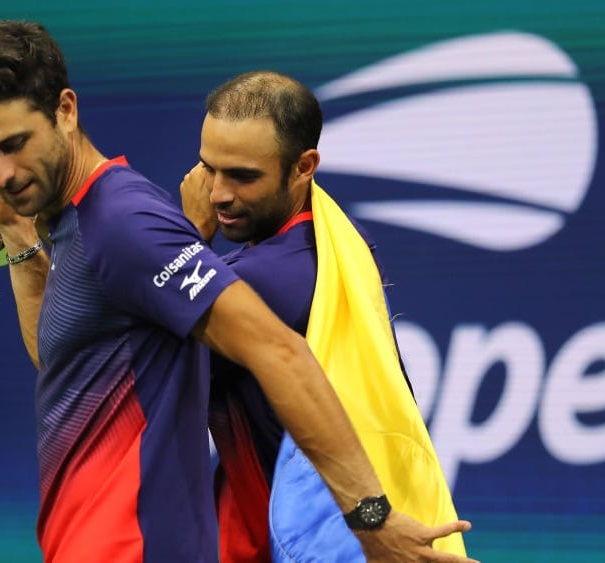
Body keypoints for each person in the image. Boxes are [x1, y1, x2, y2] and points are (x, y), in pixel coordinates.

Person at [0, 20, 476, 563]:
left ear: (67, 111)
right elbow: (69, 362)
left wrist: (372, 521)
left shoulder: (137, 230)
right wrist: (20, 240)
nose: (0, 173)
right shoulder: (96, 229)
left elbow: (269, 353)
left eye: (14, 145)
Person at [180, 72, 469, 562]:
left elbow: (132, 371)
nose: (218, 195)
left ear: (303, 166)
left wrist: (187, 238)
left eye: (244, 176)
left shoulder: (265, 280)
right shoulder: (336, 243)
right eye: (210, 169)